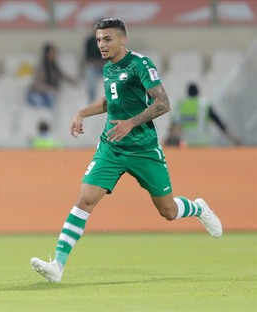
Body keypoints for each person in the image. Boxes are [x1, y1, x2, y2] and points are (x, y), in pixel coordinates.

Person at [29, 18, 223, 283]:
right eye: (98, 40)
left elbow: (163, 103)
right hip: (112, 146)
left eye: (107, 39)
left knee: (167, 211)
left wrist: (131, 123)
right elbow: (109, 101)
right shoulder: (109, 69)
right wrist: (81, 113)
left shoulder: (140, 65)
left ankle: (198, 208)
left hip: (143, 147)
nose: (102, 45)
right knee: (85, 198)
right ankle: (58, 265)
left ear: (123, 39)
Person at [170, 82, 242, 147]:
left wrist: (170, 142)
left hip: (186, 143)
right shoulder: (204, 104)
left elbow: (174, 126)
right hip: (202, 142)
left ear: (187, 93)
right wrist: (232, 137)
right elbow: (218, 122)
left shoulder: (180, 105)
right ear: (198, 92)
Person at [26, 43, 76, 110]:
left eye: (54, 53)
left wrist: (72, 81)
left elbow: (62, 75)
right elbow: (36, 84)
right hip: (36, 92)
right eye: (52, 53)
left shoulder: (54, 66)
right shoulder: (41, 67)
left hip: (47, 94)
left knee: (51, 101)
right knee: (39, 101)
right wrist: (50, 89)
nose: (54, 55)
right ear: (46, 54)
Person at [83, 31, 105, 103]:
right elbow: (87, 57)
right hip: (93, 65)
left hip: (103, 65)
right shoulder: (90, 41)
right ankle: (91, 100)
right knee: (90, 80)